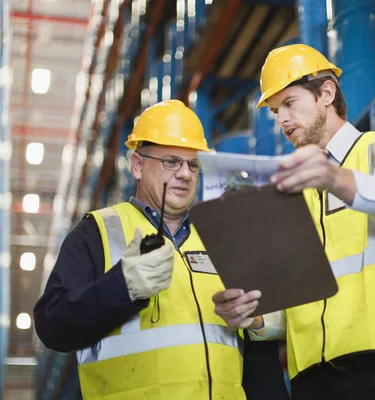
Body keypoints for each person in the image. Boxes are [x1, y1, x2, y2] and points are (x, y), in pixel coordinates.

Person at [212, 44, 375, 400]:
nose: (281, 120)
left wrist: (339, 180)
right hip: (313, 383)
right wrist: (255, 317)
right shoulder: (289, 194)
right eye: (276, 111)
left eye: (289, 103)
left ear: (326, 92)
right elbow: (296, 306)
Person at [33, 100, 289, 400]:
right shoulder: (97, 232)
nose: (184, 173)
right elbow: (53, 325)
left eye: (193, 164)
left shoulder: (223, 236)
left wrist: (256, 319)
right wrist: (122, 287)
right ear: (137, 165)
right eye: (171, 161)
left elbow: (269, 338)